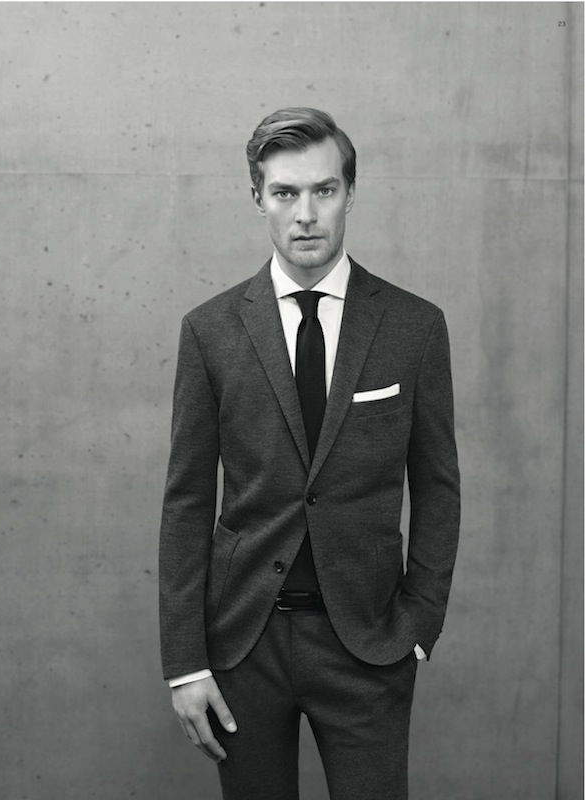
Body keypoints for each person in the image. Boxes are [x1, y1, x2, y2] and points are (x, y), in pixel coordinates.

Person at [159, 107, 460, 800]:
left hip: (370, 643)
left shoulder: (414, 327)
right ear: (257, 197)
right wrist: (184, 662)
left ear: (350, 192)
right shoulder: (210, 331)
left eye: (324, 190)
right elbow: (187, 503)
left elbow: (438, 488)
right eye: (285, 192)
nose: (305, 214)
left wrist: (418, 624)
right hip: (243, 644)